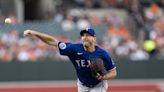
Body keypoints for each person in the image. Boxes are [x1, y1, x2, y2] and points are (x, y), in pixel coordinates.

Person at [24, 28, 117, 92]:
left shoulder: (102, 54)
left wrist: (103, 77)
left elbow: (113, 72)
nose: (85, 37)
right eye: (83, 35)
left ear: (94, 38)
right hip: (82, 84)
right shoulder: (74, 49)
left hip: (98, 85)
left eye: (88, 35)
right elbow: (53, 42)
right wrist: (34, 33)